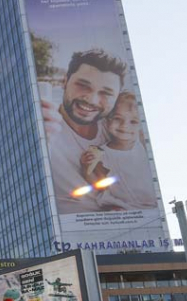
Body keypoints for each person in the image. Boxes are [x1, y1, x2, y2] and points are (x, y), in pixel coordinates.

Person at [40, 49, 127, 213]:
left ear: (116, 97)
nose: (92, 99)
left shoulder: (121, 131)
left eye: (106, 93)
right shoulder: (45, 128)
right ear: (64, 81)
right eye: (82, 85)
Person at [79, 92, 157, 211]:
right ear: (107, 121)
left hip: (151, 205)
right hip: (123, 206)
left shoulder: (141, 144)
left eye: (133, 122)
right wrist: (86, 167)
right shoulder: (102, 154)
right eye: (117, 119)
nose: (124, 125)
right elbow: (98, 184)